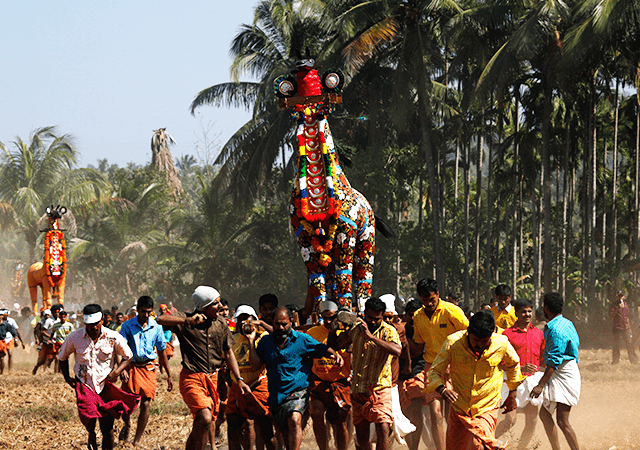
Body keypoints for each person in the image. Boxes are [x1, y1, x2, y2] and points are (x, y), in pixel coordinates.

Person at [156, 286, 251, 450]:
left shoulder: (221, 323)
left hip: (212, 379)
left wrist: (240, 379)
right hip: (191, 378)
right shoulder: (186, 319)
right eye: (215, 304)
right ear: (203, 306)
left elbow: (228, 354)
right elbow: (160, 319)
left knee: (204, 423)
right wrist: (188, 321)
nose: (220, 307)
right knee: (205, 418)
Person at [248, 306, 343, 450]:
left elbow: (321, 348)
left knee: (294, 419)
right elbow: (256, 366)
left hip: (298, 391)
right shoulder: (265, 342)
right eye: (277, 324)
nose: (280, 327)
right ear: (272, 323)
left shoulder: (302, 339)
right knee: (285, 432)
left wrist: (335, 355)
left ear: (291, 321)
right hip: (276, 394)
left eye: (284, 324)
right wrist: (250, 341)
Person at [426, 310, 523, 450]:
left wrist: (512, 394)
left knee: (479, 444)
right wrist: (442, 389)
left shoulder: (501, 343)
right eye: (476, 340)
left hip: (487, 405)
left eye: (484, 341)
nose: (479, 345)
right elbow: (434, 372)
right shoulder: (453, 342)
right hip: (460, 406)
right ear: (468, 332)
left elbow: (514, 363)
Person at [57, 304, 139, 450]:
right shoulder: (75, 337)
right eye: (89, 325)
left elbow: (128, 356)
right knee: (89, 419)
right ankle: (91, 434)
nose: (93, 328)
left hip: (104, 385)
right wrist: (67, 377)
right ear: (84, 323)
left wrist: (116, 372)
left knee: (107, 426)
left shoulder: (113, 337)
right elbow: (62, 357)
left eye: (96, 324)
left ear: (102, 321)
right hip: (84, 384)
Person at [409, 278, 469, 450]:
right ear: (420, 297)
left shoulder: (452, 311)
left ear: (438, 295)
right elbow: (418, 345)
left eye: (431, 299)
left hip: (455, 368)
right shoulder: (417, 316)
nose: (428, 303)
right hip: (432, 369)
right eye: (424, 299)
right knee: (435, 413)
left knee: (452, 415)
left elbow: (469, 334)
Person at [335, 297, 401, 450]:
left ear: (382, 316)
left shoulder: (388, 331)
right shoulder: (356, 328)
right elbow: (338, 344)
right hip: (359, 389)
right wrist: (334, 329)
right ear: (365, 314)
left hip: (380, 388)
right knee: (362, 436)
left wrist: (371, 337)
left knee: (383, 428)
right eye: (370, 317)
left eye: (377, 319)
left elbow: (397, 350)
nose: (372, 321)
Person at [118, 295, 173, 446]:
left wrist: (169, 374)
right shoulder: (127, 326)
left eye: (149, 312)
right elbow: (120, 349)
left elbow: (162, 351)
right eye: (143, 312)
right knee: (127, 403)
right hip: (131, 367)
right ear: (138, 310)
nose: (146, 315)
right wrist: (120, 369)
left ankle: (136, 440)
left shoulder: (156, 327)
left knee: (146, 403)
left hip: (149, 368)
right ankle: (127, 423)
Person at [531, 292, 581, 450]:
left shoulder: (555, 330)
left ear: (546, 308)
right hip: (565, 369)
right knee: (545, 415)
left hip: (563, 372)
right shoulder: (567, 323)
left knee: (562, 421)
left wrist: (540, 385)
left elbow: (553, 362)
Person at [495, 298, 546, 449]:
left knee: (532, 421)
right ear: (516, 313)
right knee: (511, 420)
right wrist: (521, 368)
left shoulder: (538, 334)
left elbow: (542, 358)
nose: (527, 314)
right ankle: (487, 441)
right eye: (523, 311)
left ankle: (521, 448)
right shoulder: (507, 334)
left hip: (533, 382)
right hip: (513, 383)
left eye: (529, 311)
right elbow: (500, 362)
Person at [226, 304, 276, 450]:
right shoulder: (231, 339)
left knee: (267, 432)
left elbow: (279, 336)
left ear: (254, 319)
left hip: (258, 387)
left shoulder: (264, 338)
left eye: (248, 318)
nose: (244, 322)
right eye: (240, 319)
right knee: (233, 429)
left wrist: (259, 327)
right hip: (237, 389)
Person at [306, 300, 352, 450]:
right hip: (319, 382)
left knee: (340, 422)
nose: (327, 321)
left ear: (337, 317)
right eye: (324, 317)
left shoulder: (346, 333)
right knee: (317, 414)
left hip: (340, 382)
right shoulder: (312, 333)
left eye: (331, 317)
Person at [398, 299, 427, 450]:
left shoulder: (424, 329)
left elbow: (415, 350)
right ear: (405, 315)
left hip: (419, 374)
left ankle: (414, 448)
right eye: (411, 316)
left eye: (417, 316)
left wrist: (402, 337)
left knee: (415, 409)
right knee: (405, 414)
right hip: (399, 378)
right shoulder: (398, 328)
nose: (414, 320)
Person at [608, 290, 636, 364]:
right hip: (617, 328)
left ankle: (634, 361)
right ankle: (615, 362)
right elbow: (611, 316)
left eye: (621, 296)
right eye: (618, 296)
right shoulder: (613, 305)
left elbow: (628, 315)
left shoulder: (626, 305)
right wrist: (618, 309)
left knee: (630, 344)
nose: (619, 297)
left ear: (624, 297)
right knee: (616, 346)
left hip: (626, 328)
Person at [32, 309, 55, 375]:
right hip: (42, 341)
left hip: (50, 341)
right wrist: (37, 339)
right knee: (42, 358)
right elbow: (36, 331)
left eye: (48, 315)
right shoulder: (40, 323)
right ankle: (37, 368)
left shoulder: (52, 322)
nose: (47, 316)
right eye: (45, 315)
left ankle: (45, 369)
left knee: (51, 357)